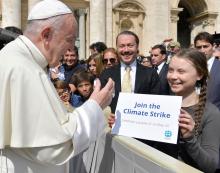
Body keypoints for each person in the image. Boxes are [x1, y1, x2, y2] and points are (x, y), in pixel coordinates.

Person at [0, 0, 114, 173]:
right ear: (46, 35)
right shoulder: (24, 69)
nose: (71, 48)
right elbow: (53, 149)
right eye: (69, 40)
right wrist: (94, 107)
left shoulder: (15, 57)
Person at [167, 48, 220, 173]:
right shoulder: (162, 106)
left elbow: (211, 166)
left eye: (181, 71)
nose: (173, 76)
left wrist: (190, 139)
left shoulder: (211, 113)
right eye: (170, 70)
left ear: (199, 75)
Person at [100, 30, 160, 116]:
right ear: (117, 48)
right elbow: (101, 103)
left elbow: (157, 103)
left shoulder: (151, 74)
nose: (126, 50)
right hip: (113, 126)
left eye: (130, 45)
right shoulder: (106, 74)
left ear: (137, 47)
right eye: (122, 46)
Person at [194, 32, 220, 110]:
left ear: (214, 46)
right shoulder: (190, 67)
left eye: (205, 46)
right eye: (199, 47)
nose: (202, 50)